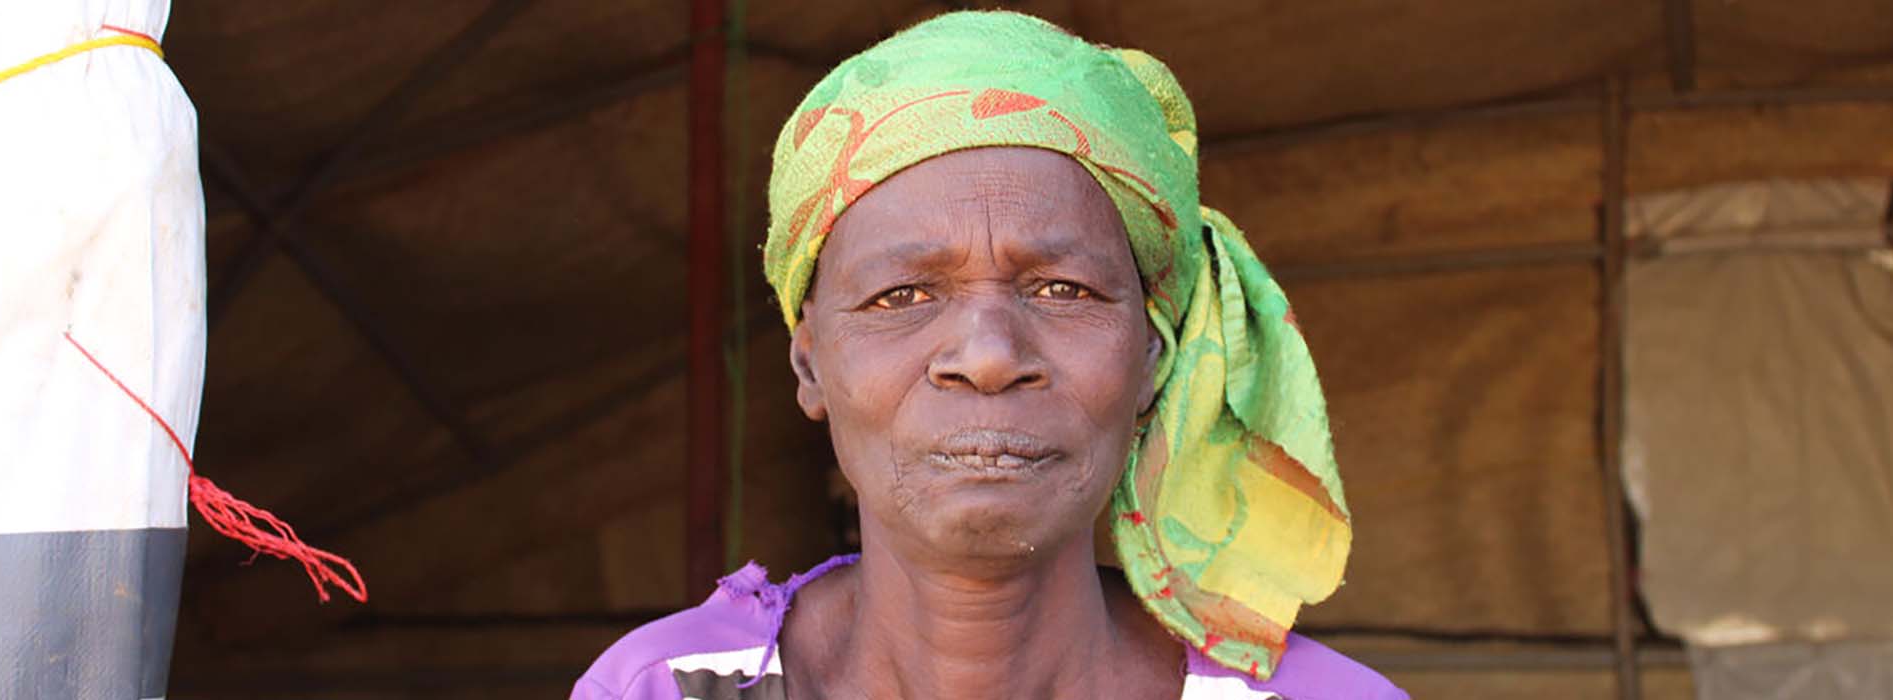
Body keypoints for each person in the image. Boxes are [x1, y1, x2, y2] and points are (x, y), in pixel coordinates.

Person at [575, 11, 1405, 699]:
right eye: (900, 296)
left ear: (1152, 358)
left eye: (1062, 290)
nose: (988, 357)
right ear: (810, 366)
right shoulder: (664, 690)